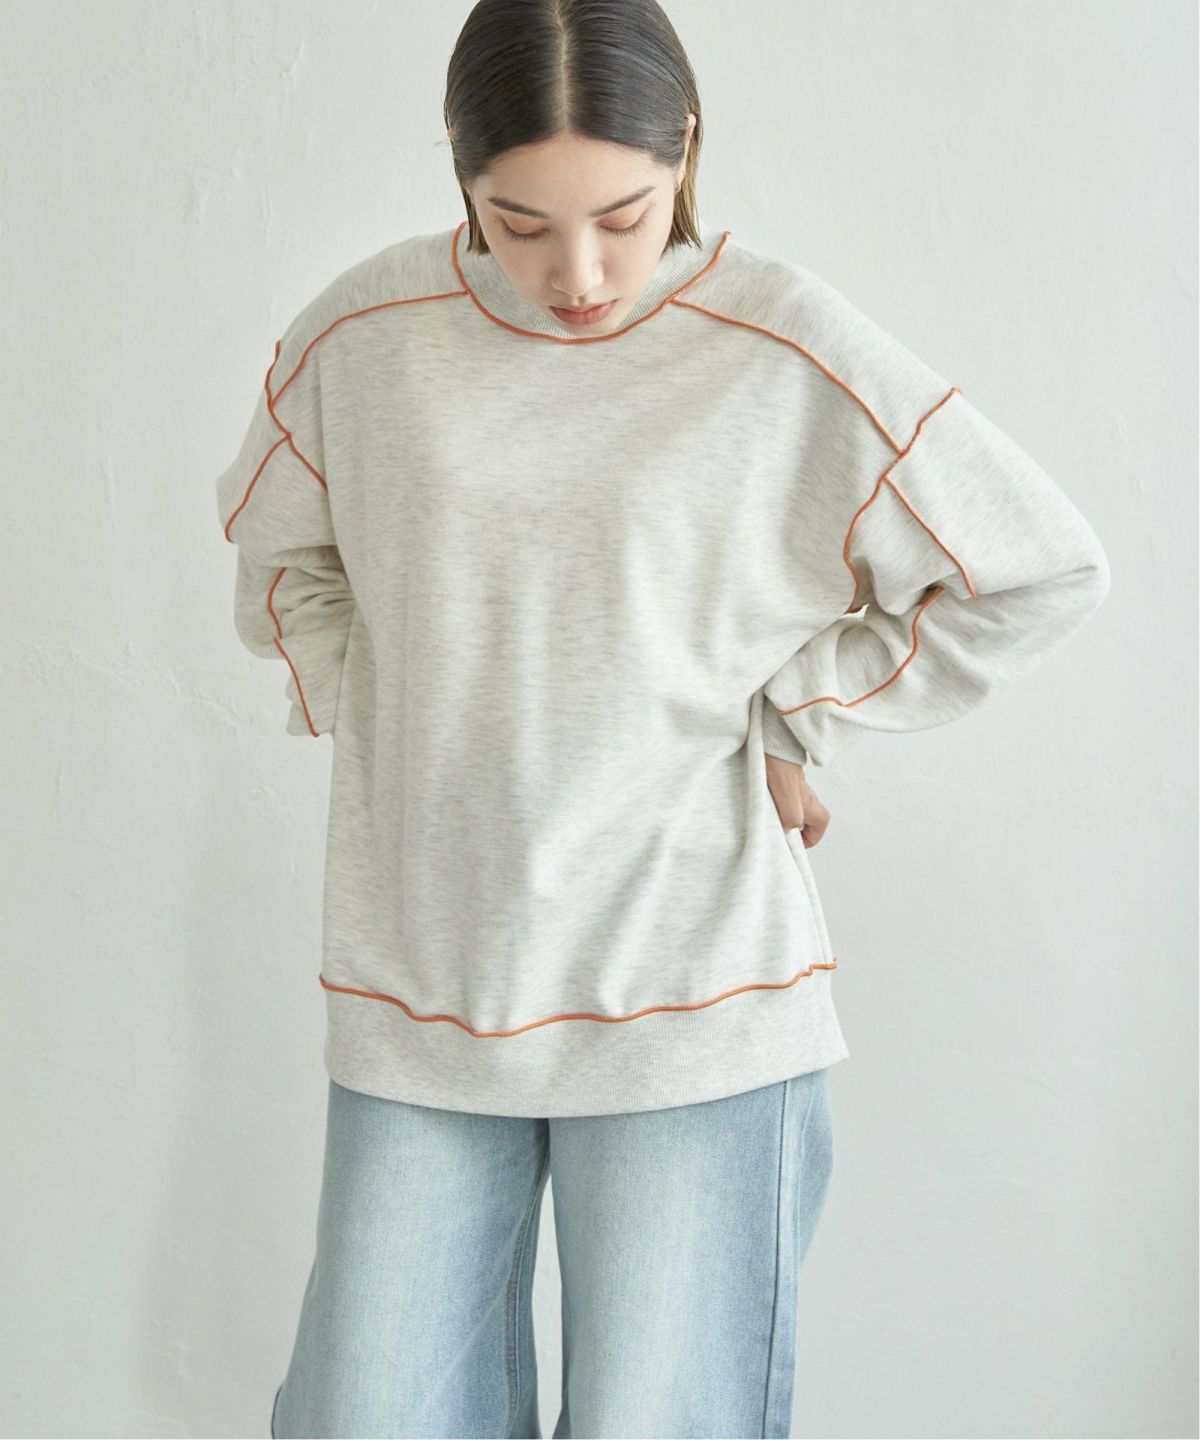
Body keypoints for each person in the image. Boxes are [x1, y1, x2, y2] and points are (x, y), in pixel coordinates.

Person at [214, 1, 1111, 1434]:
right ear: (461, 172)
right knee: (368, 1414)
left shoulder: (780, 345)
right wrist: (397, 721)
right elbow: (278, 553)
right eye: (520, 223)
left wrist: (798, 711)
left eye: (623, 219)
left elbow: (1036, 565)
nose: (576, 275)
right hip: (424, 988)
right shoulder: (366, 334)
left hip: (700, 999)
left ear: (683, 151)